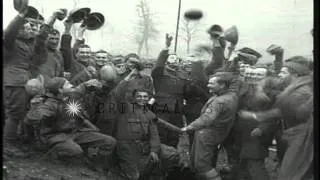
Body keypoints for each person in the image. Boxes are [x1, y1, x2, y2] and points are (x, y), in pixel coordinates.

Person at [238, 56, 313, 180]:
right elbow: (269, 80)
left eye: (284, 72)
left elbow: (281, 111)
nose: (280, 75)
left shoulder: (301, 91)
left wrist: (255, 117)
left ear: (293, 73)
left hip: (302, 136)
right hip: (292, 134)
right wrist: (259, 87)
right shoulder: (295, 84)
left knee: (291, 172)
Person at [25, 77, 117, 171]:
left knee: (109, 141)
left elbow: (78, 91)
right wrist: (37, 108)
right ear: (60, 90)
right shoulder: (50, 104)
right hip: (56, 135)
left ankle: (94, 165)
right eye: (68, 84)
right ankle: (54, 154)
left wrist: (86, 85)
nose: (71, 85)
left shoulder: (67, 96)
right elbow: (30, 119)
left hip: (74, 132)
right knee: (76, 151)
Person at [3, 7, 49, 154]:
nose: (31, 28)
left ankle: (20, 140)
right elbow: (10, 30)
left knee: (24, 113)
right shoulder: (11, 41)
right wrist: (21, 15)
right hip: (14, 82)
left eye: (34, 26)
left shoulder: (31, 44)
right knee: (14, 114)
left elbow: (42, 37)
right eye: (27, 25)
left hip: (27, 82)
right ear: (20, 27)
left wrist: (53, 18)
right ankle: (9, 145)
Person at [108, 88, 180, 180]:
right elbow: (118, 93)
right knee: (135, 176)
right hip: (126, 148)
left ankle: (158, 175)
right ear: (134, 98)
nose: (142, 99)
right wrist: (128, 76)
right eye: (139, 96)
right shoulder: (126, 108)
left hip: (144, 146)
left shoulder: (149, 114)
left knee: (172, 154)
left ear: (148, 98)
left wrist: (154, 151)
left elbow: (154, 135)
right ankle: (117, 171)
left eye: (145, 96)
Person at [182, 72, 238, 180]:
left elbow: (207, 119)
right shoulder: (232, 95)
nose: (208, 86)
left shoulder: (219, 102)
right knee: (198, 160)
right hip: (217, 133)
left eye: (212, 84)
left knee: (202, 164)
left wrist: (189, 127)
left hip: (207, 134)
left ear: (222, 85)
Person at [151, 34, 188, 147]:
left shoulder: (183, 74)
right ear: (166, 61)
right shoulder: (159, 73)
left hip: (177, 111)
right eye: (172, 57)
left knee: (174, 136)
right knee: (161, 136)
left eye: (177, 58)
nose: (175, 60)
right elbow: (159, 64)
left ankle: (172, 159)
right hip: (162, 109)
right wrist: (166, 48)